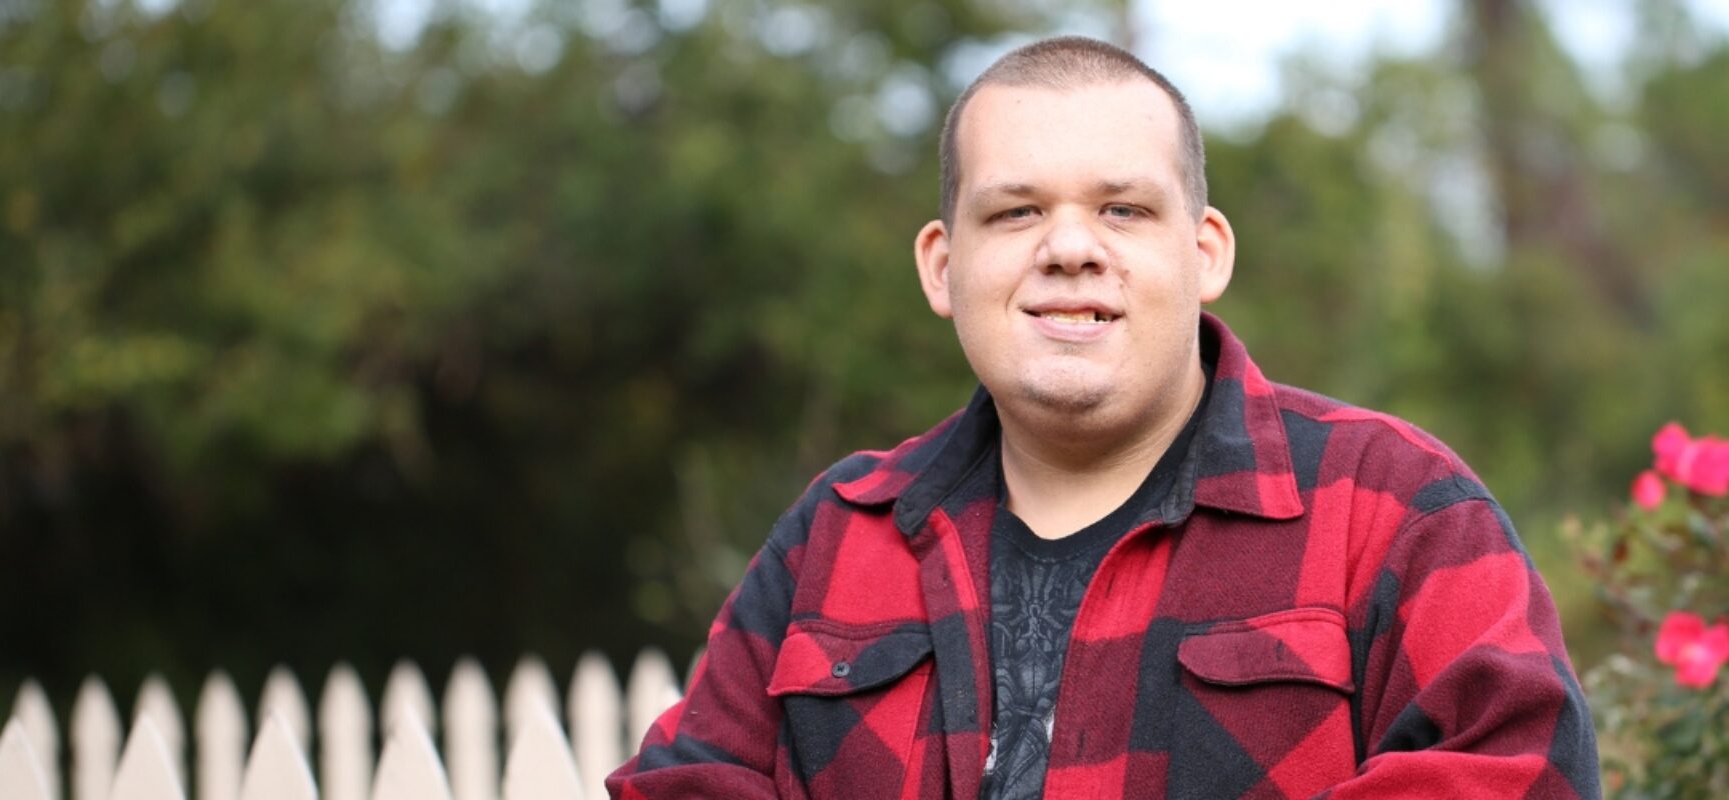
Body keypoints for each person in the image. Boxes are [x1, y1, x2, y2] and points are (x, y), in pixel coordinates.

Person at [607, 35, 1598, 799]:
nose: (1071, 247)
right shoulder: (836, 535)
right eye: (1016, 211)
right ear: (943, 268)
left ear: (1205, 251)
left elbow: (1523, 772)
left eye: (1123, 208)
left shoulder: (1389, 505)